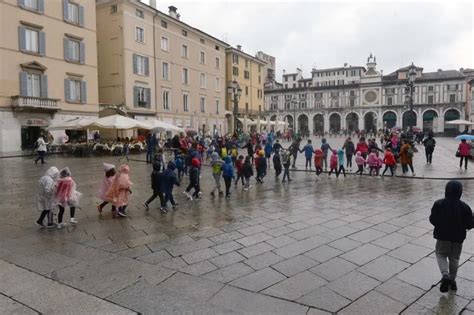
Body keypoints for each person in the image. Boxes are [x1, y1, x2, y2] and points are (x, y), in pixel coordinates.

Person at [429, 181, 473, 293]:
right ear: (460, 192)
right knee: (454, 258)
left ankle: (445, 275)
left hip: (442, 235)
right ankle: (452, 281)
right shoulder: (465, 207)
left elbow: (433, 219)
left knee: (440, 254)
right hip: (458, 238)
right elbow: (469, 224)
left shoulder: (439, 203)